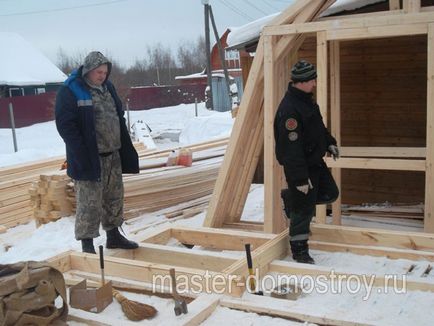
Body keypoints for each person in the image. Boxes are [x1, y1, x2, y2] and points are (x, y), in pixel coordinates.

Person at [55, 51, 140, 254]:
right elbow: (66, 126)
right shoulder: (71, 90)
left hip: (113, 154)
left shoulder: (107, 87)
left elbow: (117, 116)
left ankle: (113, 236)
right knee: (89, 202)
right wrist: (80, 153)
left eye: (105, 72)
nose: (102, 75)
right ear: (88, 70)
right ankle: (87, 244)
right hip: (89, 157)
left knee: (114, 197)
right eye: (98, 72)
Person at [274, 60, 339, 264]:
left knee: (331, 193)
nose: (314, 84)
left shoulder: (307, 101)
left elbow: (318, 128)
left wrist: (329, 143)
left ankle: (291, 198)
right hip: (301, 168)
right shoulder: (290, 110)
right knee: (303, 211)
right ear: (301, 82)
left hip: (314, 162)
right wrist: (299, 179)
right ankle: (300, 250)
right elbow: (290, 150)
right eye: (312, 80)